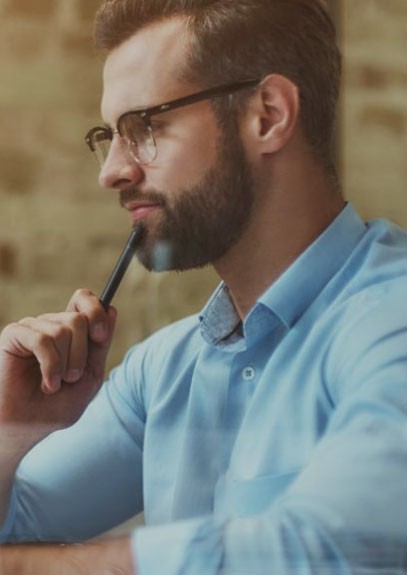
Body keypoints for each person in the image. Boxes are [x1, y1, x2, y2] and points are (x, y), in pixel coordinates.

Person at [0, 0, 406, 573]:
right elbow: (17, 524)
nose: (111, 171)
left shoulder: (391, 318)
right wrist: (12, 429)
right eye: (109, 135)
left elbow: (343, 548)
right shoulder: (162, 370)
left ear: (266, 115)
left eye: (144, 127)